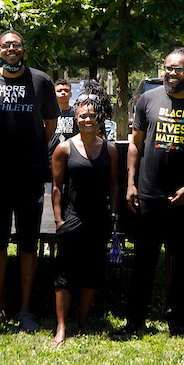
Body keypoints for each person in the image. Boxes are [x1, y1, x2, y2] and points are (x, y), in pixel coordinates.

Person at [119, 47, 184, 337]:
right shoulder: (148, 100)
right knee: (144, 261)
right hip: (149, 195)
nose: (171, 73)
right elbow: (135, 143)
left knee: (181, 260)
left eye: (178, 69)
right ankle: (134, 320)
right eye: (168, 68)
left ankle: (177, 318)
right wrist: (131, 183)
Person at [0, 29, 59, 333]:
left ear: (24, 49)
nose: (11, 49)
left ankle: (25, 310)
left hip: (30, 176)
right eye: (5, 45)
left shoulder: (41, 81)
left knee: (27, 243)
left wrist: (35, 149)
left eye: (16, 45)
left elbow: (50, 123)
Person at [50, 86, 118, 347]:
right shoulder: (64, 149)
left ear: (98, 119)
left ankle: (84, 320)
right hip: (72, 217)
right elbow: (57, 188)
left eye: (92, 116)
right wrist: (59, 220)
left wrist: (113, 214)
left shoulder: (109, 150)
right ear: (75, 119)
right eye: (82, 116)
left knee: (92, 271)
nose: (87, 120)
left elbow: (114, 185)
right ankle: (61, 327)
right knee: (65, 272)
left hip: (98, 219)